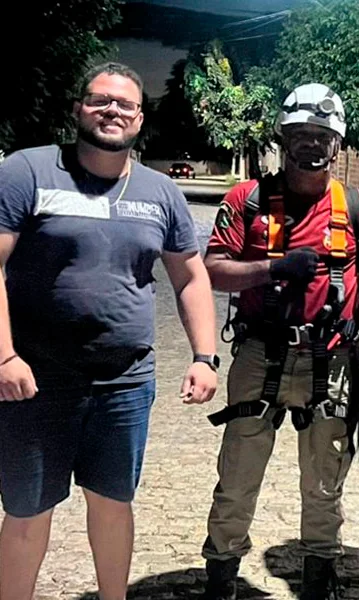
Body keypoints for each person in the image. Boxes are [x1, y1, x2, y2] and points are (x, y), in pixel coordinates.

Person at [0, 62, 218, 600]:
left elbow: (190, 275)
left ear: (140, 118)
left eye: (124, 104)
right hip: (35, 381)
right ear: (78, 109)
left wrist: (204, 356)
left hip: (124, 383)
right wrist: (4, 356)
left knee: (114, 504)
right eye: (100, 100)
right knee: (27, 511)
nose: (112, 111)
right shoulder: (28, 172)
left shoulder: (160, 192)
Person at [200, 83, 359, 600]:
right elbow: (212, 270)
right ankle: (223, 571)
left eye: (322, 136)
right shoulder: (246, 201)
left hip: (331, 359)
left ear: (336, 144)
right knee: (240, 472)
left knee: (325, 475)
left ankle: (320, 570)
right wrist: (272, 267)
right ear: (284, 138)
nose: (311, 145)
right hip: (260, 353)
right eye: (300, 135)